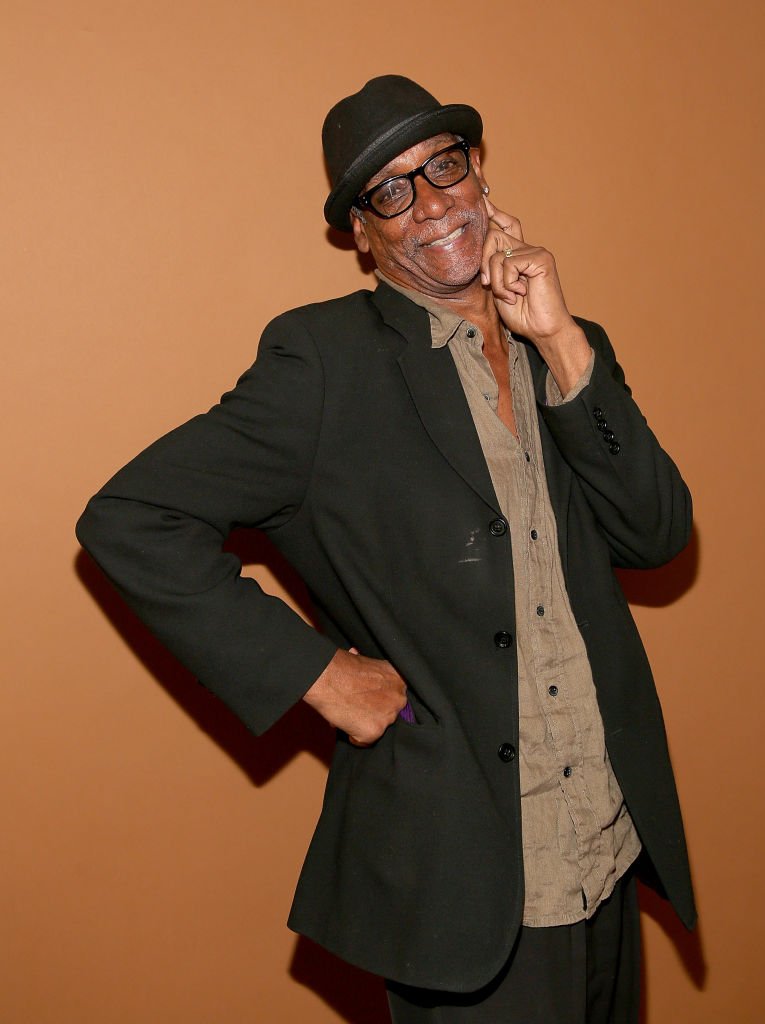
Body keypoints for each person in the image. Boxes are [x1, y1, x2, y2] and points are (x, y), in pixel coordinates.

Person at [77, 75, 696, 1023]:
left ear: (479, 173)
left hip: (607, 851)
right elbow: (131, 516)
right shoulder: (324, 365)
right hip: (472, 888)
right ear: (361, 233)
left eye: (443, 167)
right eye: (391, 191)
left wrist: (567, 340)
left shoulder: (560, 345)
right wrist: (318, 672)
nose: (431, 204)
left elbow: (656, 534)